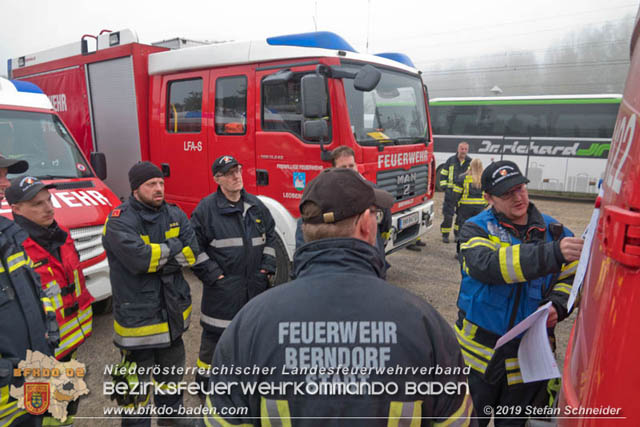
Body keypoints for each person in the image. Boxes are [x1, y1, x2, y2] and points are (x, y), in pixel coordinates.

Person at [201, 168, 474, 426]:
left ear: (305, 231)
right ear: (366, 225)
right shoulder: (424, 323)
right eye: (374, 215)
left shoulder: (250, 323)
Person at [456, 160, 584, 426]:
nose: (518, 197)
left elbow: (572, 278)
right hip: (477, 363)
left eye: (520, 188)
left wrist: (558, 306)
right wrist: (553, 253)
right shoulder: (474, 228)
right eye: (507, 193)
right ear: (488, 198)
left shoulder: (556, 232)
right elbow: (488, 266)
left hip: (528, 365)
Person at [102, 161, 199, 427]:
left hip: (172, 319)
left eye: (161, 183)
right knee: (135, 391)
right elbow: (140, 261)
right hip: (138, 324)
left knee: (171, 380)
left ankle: (172, 419)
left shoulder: (175, 214)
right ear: (135, 189)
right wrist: (171, 248)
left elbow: (191, 253)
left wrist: (158, 256)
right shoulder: (119, 221)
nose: (159, 189)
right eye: (151, 184)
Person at [7, 175, 94, 426]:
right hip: (39, 353)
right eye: (37, 204)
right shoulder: (14, 248)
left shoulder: (61, 234)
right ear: (15, 209)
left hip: (71, 342)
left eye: (49, 200)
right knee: (43, 413)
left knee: (67, 404)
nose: (48, 208)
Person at [190, 155, 276, 394]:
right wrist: (214, 276)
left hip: (254, 286)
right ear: (218, 179)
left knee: (252, 335)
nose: (237, 176)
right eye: (229, 173)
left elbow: (270, 236)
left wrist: (266, 268)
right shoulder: (206, 210)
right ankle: (205, 383)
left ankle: (248, 382)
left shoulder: (256, 205)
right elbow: (193, 247)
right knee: (214, 338)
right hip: (222, 290)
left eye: (238, 170)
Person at [0, 156, 59, 426]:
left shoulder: (8, 235)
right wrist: (7, 371)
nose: (5, 183)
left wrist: (49, 331)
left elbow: (35, 293)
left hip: (34, 373)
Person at [295, 146, 392, 277]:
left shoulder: (371, 192)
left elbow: (386, 220)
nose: (349, 171)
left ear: (357, 166)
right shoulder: (316, 202)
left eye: (351, 166)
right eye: (343, 168)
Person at [439, 142, 471, 243]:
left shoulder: (470, 162)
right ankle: (445, 234)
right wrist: (444, 187)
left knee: (461, 217)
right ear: (458, 149)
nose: (463, 151)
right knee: (448, 215)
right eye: (462, 149)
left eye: (465, 149)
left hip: (463, 194)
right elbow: (443, 173)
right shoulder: (451, 160)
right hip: (451, 193)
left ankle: (457, 235)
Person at [454, 159, 488, 255]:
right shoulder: (485, 179)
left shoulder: (462, 177)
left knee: (463, 229)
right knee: (478, 230)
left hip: (465, 208)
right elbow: (489, 196)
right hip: (479, 209)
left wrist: (457, 205)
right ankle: (476, 252)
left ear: (470, 166)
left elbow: (456, 195)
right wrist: (484, 205)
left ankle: (460, 252)